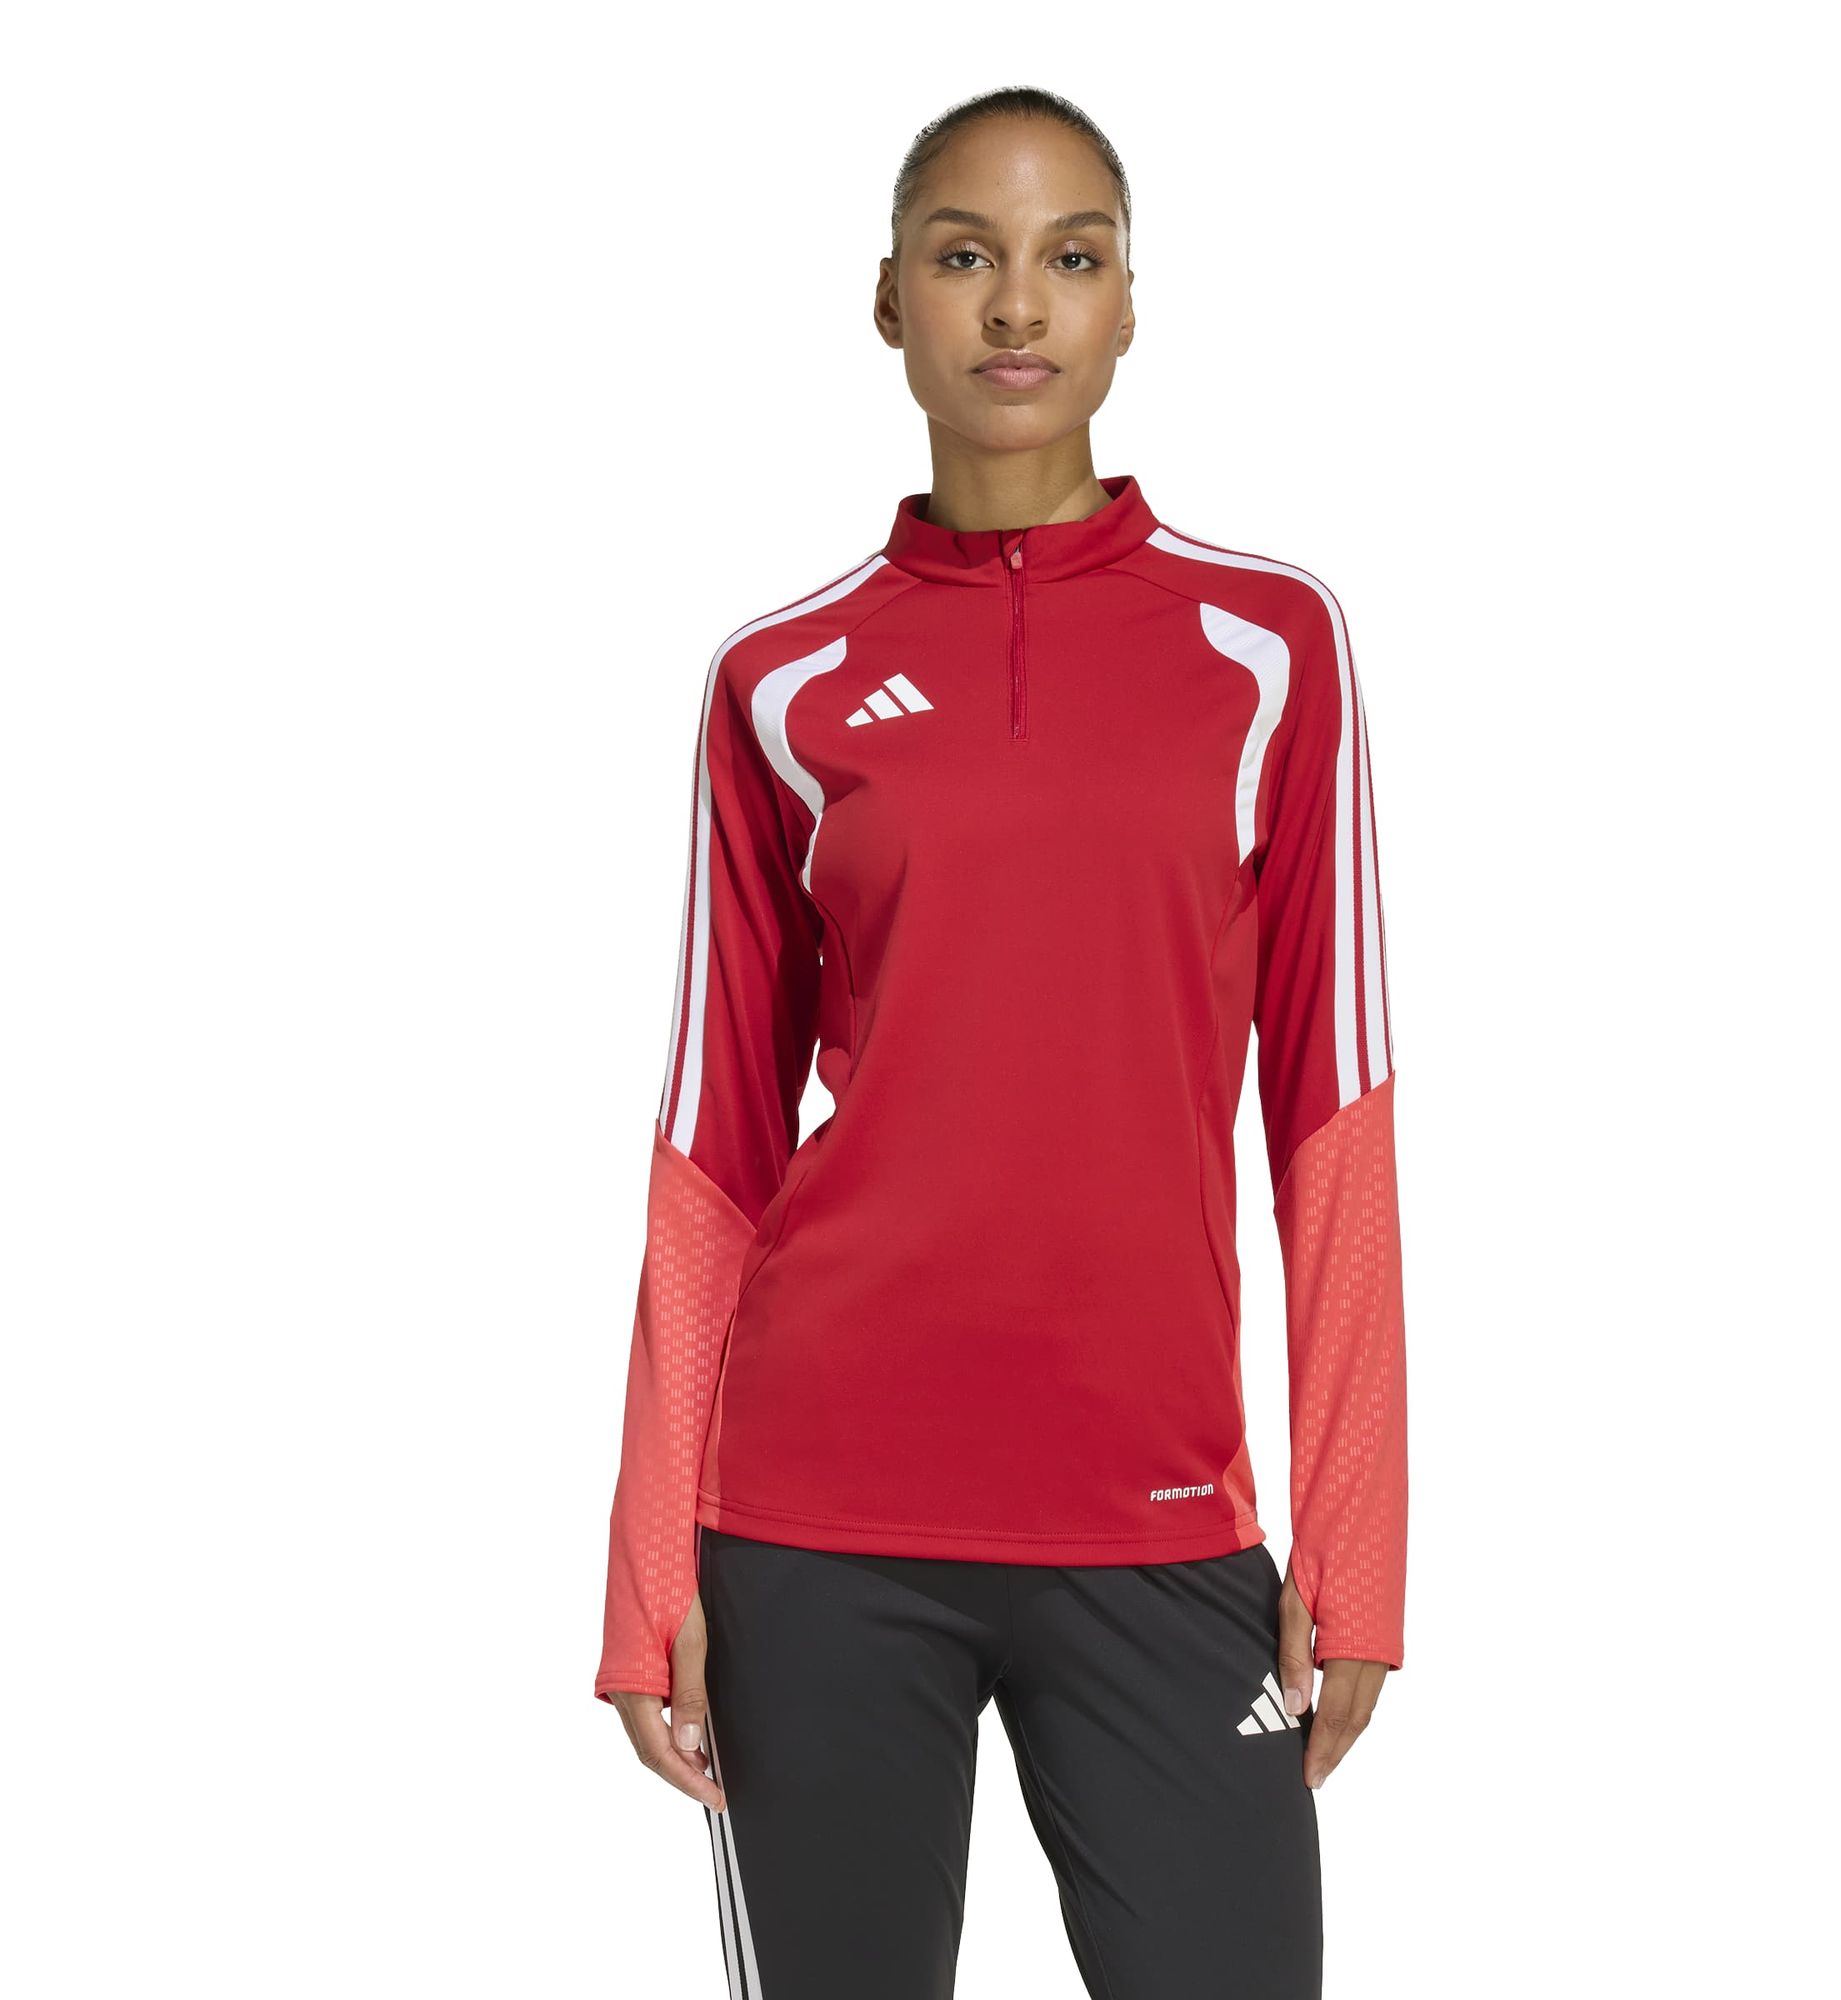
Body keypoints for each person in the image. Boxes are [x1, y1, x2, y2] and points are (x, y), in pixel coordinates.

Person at [595, 84, 1407, 2000]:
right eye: (965, 256)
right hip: (817, 1528)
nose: (1018, 306)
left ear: (1131, 304)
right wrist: (647, 1574)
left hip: (1157, 1517)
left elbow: (1333, 1108)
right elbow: (713, 1143)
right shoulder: (779, 681)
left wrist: (1356, 1544)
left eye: (1072, 258)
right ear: (891, 300)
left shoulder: (1269, 648)